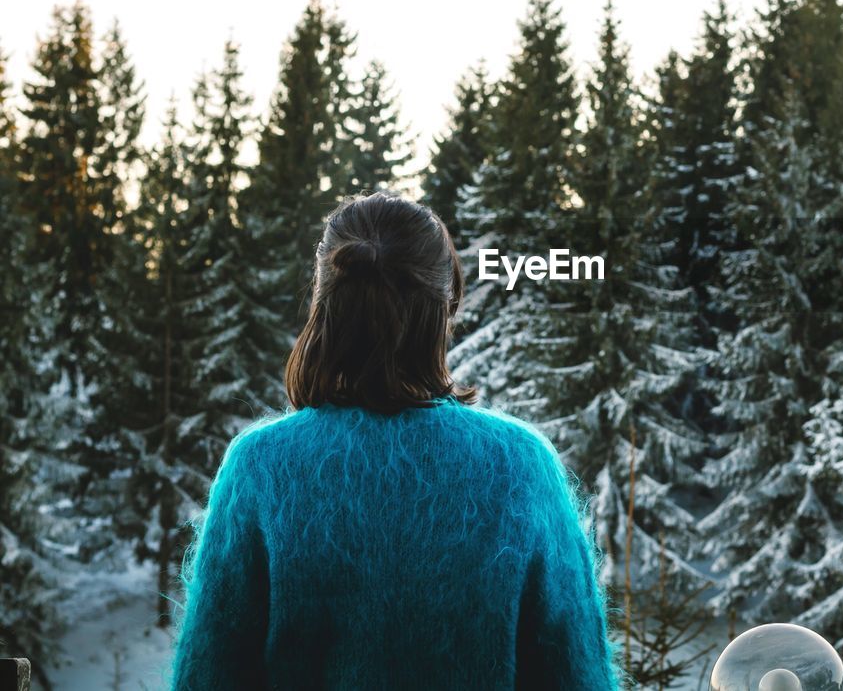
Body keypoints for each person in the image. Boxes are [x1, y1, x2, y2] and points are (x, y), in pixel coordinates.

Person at [167, 191, 624, 690]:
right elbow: (578, 677)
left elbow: (207, 677)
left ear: (323, 305)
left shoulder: (259, 467)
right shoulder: (521, 465)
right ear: (443, 308)